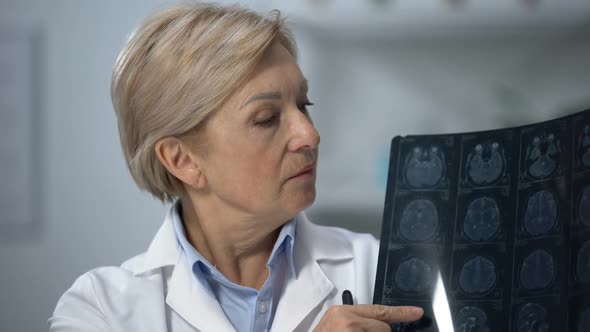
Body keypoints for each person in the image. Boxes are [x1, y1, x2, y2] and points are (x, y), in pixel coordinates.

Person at [49, 3, 423, 331]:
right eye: (265, 118)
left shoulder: (385, 271)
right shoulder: (101, 310)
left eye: (304, 104)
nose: (309, 134)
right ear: (183, 160)